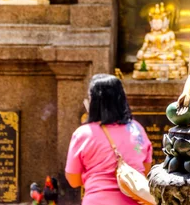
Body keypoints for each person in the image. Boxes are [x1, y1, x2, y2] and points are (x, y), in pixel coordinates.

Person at [65, 74, 152, 205]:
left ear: (94, 101)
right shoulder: (136, 129)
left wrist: (95, 178)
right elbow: (145, 169)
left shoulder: (83, 134)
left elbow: (73, 180)